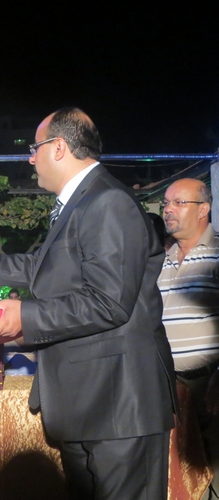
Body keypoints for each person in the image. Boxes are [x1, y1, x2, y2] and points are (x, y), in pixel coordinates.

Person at [0, 107, 177, 499]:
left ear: (58, 148)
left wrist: (24, 315)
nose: (30, 159)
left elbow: (108, 302)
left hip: (119, 406)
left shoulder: (108, 202)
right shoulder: (83, 201)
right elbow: (44, 266)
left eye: (34, 149)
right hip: (90, 403)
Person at [158, 178, 219, 500]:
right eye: (166, 203)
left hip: (209, 388)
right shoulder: (161, 260)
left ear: (203, 209)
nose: (168, 209)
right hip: (168, 390)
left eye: (179, 202)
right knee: (181, 483)